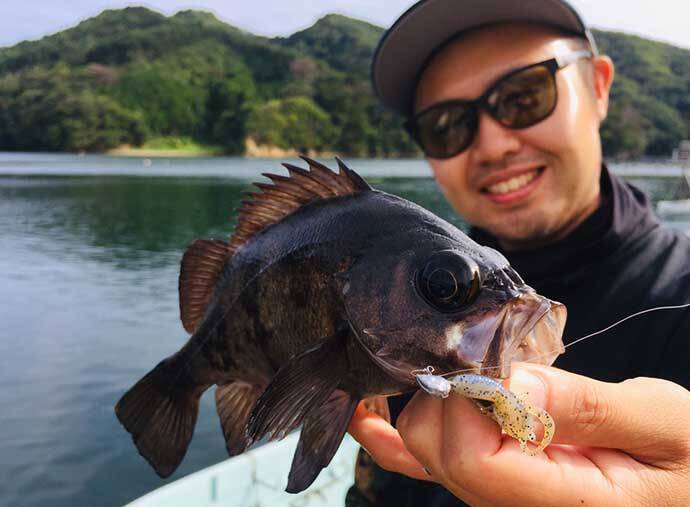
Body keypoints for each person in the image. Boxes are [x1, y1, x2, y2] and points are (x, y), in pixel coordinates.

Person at [346, 1, 690, 505]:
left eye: (524, 96)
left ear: (598, 86)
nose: (492, 145)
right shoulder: (389, 303)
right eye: (446, 125)